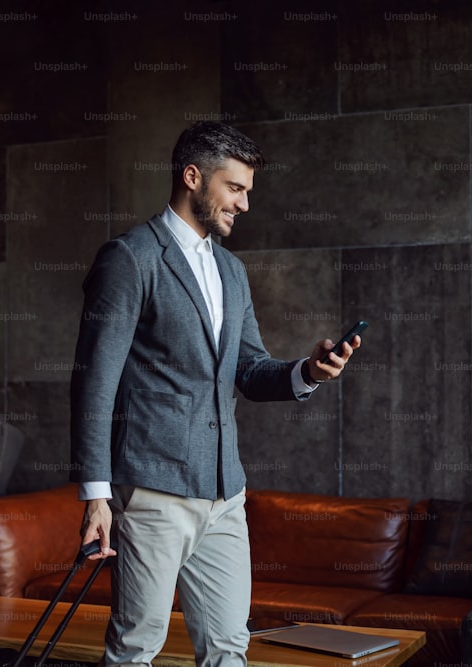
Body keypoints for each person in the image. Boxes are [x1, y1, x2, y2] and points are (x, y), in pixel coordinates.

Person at [69, 121, 360, 666]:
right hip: (154, 489)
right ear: (192, 176)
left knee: (229, 648)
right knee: (136, 649)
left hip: (226, 495)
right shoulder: (130, 258)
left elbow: (248, 370)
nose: (245, 204)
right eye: (235, 188)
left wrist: (310, 373)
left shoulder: (231, 270)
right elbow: (94, 380)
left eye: (248, 191)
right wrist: (95, 495)